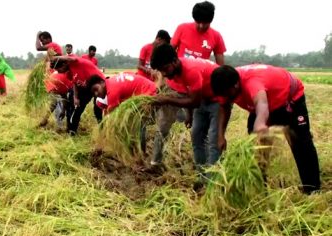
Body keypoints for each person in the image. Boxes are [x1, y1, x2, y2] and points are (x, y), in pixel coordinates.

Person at [210, 64, 321, 194]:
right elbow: (224, 107)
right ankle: (260, 189)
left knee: (301, 143)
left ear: (235, 85)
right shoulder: (224, 85)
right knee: (255, 148)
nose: (225, 97)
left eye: (227, 94)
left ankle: (312, 189)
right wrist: (220, 135)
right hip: (263, 104)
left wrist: (260, 123)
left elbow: (261, 103)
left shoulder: (252, 83)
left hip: (289, 99)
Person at [150, 43, 220, 188]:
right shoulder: (174, 74)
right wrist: (189, 116)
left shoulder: (191, 70)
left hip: (219, 99)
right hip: (202, 98)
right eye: (160, 71)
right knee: (196, 135)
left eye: (165, 69)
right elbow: (187, 95)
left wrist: (167, 99)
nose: (163, 74)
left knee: (213, 139)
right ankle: (202, 178)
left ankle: (213, 182)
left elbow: (194, 101)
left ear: (175, 61)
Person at [87, 72, 157, 152]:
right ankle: (135, 151)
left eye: (96, 89)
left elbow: (109, 121)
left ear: (102, 82)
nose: (96, 94)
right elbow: (107, 114)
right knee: (131, 124)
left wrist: (100, 143)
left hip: (149, 94)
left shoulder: (112, 91)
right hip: (148, 89)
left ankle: (140, 154)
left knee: (136, 125)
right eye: (94, 93)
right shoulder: (111, 82)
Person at [50, 55, 105, 135]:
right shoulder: (68, 73)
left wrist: (56, 58)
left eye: (58, 69)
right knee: (76, 107)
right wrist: (75, 98)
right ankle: (72, 130)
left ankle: (102, 130)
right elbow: (75, 83)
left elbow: (69, 58)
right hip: (85, 87)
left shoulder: (76, 62)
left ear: (64, 65)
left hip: (98, 85)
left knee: (98, 108)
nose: (58, 72)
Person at [171, 1, 226, 65]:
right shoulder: (182, 28)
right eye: (198, 22)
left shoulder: (217, 36)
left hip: (201, 74)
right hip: (180, 72)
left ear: (210, 21)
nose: (201, 26)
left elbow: (220, 66)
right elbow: (169, 52)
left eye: (205, 23)